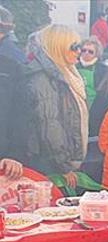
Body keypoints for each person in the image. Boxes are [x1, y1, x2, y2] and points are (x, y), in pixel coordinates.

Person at [15, 25, 89, 192]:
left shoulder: (67, 73)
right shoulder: (43, 78)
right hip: (49, 167)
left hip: (62, 163)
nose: (79, 51)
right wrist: (63, 166)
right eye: (74, 47)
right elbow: (50, 126)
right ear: (59, 48)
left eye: (80, 46)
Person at [0, 5, 25, 180]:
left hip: (4, 161)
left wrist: (15, 154)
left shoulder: (11, 67)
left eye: (4, 31)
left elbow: (20, 114)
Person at [76, 37, 107, 108]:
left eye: (90, 51)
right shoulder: (73, 66)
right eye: (84, 50)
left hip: (94, 106)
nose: (86, 53)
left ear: (96, 54)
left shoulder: (103, 69)